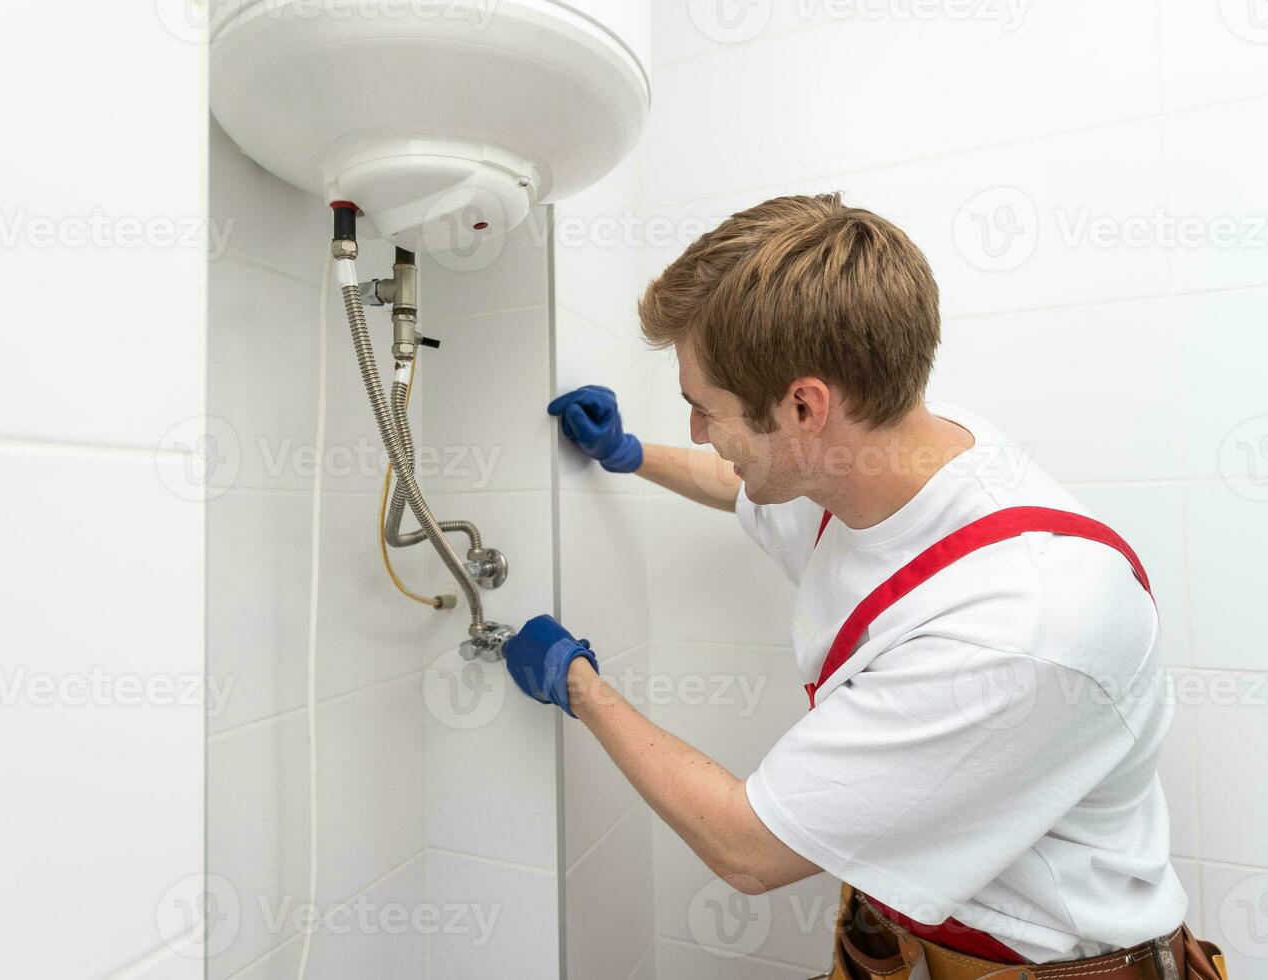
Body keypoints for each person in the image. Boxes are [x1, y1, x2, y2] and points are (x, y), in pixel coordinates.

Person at [503, 195, 1228, 979]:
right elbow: (751, 479)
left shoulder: (1017, 626)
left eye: (703, 410)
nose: (699, 434)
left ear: (805, 406)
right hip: (917, 950)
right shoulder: (895, 453)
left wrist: (578, 683)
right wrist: (628, 452)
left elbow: (745, 849)